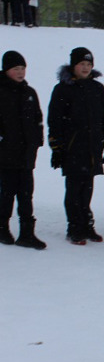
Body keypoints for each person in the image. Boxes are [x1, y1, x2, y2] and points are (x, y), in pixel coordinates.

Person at [47, 47, 104, 245]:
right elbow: (55, 120)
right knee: (74, 189)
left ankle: (86, 224)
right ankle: (74, 227)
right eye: (81, 64)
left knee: (87, 188)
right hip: (73, 148)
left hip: (92, 148)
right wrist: (57, 148)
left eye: (88, 64)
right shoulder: (63, 89)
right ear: (73, 65)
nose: (85, 68)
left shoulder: (97, 88)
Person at [0, 50, 46, 249]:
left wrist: (36, 142)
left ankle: (27, 233)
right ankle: (2, 228)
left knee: (26, 193)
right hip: (5, 153)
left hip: (26, 154)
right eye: (15, 69)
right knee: (7, 193)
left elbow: (38, 120)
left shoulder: (29, 93)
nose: (20, 72)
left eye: (22, 68)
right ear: (6, 70)